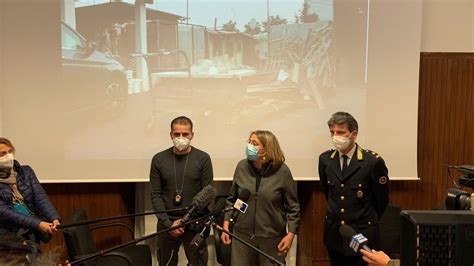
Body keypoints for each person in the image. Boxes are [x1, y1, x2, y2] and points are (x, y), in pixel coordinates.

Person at [318, 112, 389, 266]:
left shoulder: (372, 162)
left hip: (362, 234)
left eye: (341, 132)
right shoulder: (325, 160)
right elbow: (328, 193)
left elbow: (381, 201)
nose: (335, 136)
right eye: (332, 132)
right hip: (335, 235)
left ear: (354, 134)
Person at [220, 130, 300, 266]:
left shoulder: (282, 171)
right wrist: (226, 224)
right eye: (249, 142)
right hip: (242, 236)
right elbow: (232, 199)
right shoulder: (241, 167)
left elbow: (293, 207)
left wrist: (291, 234)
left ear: (267, 148)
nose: (249, 146)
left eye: (254, 143)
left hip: (271, 238)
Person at [150, 116, 213, 266]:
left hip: (194, 223)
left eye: (185, 134)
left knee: (198, 262)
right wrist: (168, 224)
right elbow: (155, 194)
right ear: (171, 135)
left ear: (192, 135)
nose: (181, 137)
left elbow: (208, 193)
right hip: (167, 225)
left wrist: (186, 221)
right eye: (177, 134)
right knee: (166, 263)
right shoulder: (158, 159)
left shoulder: (203, 158)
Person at [0, 137, 61, 244]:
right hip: (7, 234)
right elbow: (5, 212)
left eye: (10, 152)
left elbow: (40, 197)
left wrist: (54, 218)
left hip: (30, 230)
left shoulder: (26, 171)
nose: (8, 156)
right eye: (2, 154)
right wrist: (38, 224)